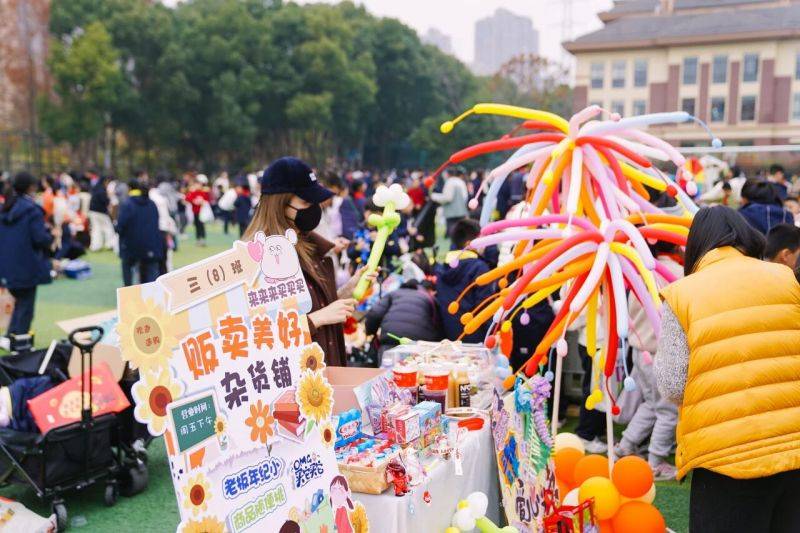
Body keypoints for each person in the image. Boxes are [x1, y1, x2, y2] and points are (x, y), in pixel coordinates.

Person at [655, 205, 800, 532]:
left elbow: (672, 383)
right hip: (793, 445)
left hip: (724, 455)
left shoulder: (684, 293)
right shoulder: (785, 277)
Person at [243, 157, 373, 367]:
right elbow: (261, 334)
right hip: (294, 375)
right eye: (305, 202)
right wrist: (317, 319)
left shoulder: (308, 245)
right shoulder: (259, 257)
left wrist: (348, 289)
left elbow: (318, 307)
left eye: (314, 202)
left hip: (325, 369)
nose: (314, 208)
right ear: (279, 204)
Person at [615, 241, 682, 480]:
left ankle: (625, 446)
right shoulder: (675, 272)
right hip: (660, 352)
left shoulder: (640, 271)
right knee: (668, 410)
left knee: (652, 405)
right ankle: (655, 462)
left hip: (640, 349)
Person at [0, 172, 53, 341]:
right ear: (31, 187)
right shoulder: (32, 210)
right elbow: (40, 238)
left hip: (7, 265)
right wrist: (50, 236)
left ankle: (10, 338)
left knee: (19, 303)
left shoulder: (6, 206)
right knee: (26, 307)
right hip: (27, 264)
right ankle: (20, 344)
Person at [435, 219, 495, 343]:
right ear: (469, 243)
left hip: (448, 337)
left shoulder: (441, 268)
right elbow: (484, 307)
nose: (484, 244)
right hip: (475, 337)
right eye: (481, 239)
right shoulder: (479, 268)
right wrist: (492, 334)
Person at [365, 279, 441, 355]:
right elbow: (439, 322)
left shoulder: (393, 294)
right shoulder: (429, 297)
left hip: (391, 338)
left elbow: (374, 314)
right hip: (419, 343)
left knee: (388, 360)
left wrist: (370, 331)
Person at [117, 180, 164, 286]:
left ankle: (128, 290)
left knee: (127, 266)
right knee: (151, 273)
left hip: (131, 245)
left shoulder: (127, 204)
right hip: (151, 244)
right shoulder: (151, 204)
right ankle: (153, 292)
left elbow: (121, 226)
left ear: (129, 188)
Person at [430, 169, 469, 239]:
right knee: (461, 230)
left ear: (448, 174)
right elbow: (465, 197)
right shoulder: (461, 182)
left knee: (453, 231)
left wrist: (434, 196)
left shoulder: (450, 182)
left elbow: (448, 198)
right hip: (461, 210)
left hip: (452, 212)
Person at [88, 174, 115, 251]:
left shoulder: (95, 188)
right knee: (108, 228)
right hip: (101, 212)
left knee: (95, 229)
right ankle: (110, 244)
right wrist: (109, 197)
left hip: (92, 211)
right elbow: (105, 201)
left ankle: (95, 246)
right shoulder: (102, 190)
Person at [185, 175, 211, 246]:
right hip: (195, 212)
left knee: (202, 226)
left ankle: (203, 239)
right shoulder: (193, 192)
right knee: (197, 226)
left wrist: (202, 202)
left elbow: (207, 200)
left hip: (202, 213)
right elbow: (187, 198)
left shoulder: (204, 192)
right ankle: (198, 239)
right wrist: (193, 200)